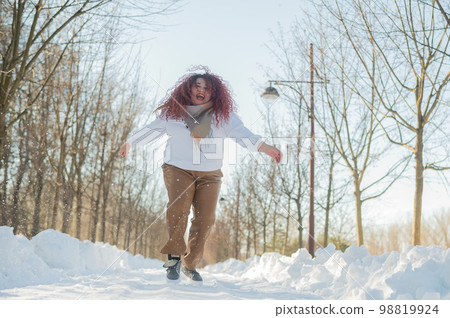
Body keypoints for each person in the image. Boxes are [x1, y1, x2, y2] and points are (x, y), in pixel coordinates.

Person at [119, 67, 282, 282]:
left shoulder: (224, 117)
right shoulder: (174, 113)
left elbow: (245, 135)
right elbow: (152, 129)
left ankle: (191, 263)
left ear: (215, 93)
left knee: (205, 219)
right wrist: (130, 142)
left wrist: (265, 147)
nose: (202, 90)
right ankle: (174, 257)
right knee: (179, 208)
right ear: (189, 89)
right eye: (198, 86)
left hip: (210, 173)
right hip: (177, 167)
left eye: (207, 87)